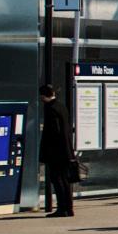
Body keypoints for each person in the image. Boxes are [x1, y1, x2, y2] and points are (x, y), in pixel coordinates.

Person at [40, 83, 77, 218]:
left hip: (56, 152)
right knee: (65, 180)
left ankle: (62, 208)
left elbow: (54, 132)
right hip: (66, 150)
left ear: (44, 96)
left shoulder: (51, 109)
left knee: (57, 179)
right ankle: (68, 208)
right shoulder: (62, 107)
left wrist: (47, 151)